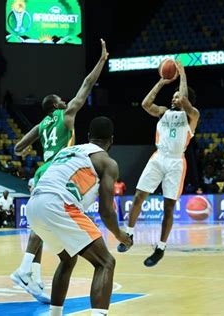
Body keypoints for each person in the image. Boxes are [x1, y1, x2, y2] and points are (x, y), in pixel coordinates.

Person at [10, 38, 109, 303]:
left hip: (43, 169)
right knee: (51, 216)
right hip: (59, 168)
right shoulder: (66, 116)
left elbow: (19, 147)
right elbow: (86, 86)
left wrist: (34, 149)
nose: (66, 101)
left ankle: (31, 271)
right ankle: (24, 269)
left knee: (41, 222)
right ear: (56, 105)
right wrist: (101, 61)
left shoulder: (42, 124)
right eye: (61, 100)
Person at [27, 117, 132, 316]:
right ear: (111, 140)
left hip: (33, 205)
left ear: (88, 137)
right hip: (58, 204)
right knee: (105, 262)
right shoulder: (107, 162)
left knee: (67, 259)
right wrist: (120, 235)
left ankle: (54, 314)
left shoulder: (67, 151)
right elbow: (106, 211)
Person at [117, 61, 200, 267]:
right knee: (138, 197)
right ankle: (128, 235)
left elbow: (183, 98)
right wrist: (162, 82)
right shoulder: (163, 112)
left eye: (177, 97)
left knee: (169, 207)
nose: (174, 99)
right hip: (158, 157)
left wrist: (182, 75)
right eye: (172, 97)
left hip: (175, 162)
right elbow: (146, 104)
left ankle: (161, 247)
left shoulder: (192, 116)